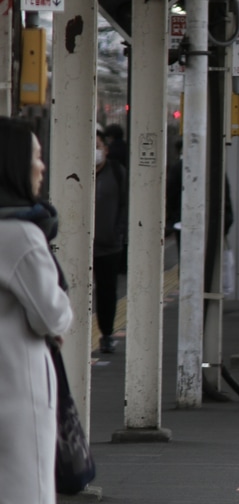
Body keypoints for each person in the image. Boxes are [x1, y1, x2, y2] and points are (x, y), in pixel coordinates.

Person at [0, 119, 73, 504]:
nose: (42, 167)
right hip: (14, 391)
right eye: (35, 156)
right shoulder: (20, 236)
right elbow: (52, 313)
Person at [94, 129, 128, 354]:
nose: (94, 151)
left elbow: (125, 204)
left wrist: (119, 233)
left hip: (109, 245)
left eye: (97, 146)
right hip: (81, 247)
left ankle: (106, 334)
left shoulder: (116, 172)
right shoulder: (72, 170)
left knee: (107, 291)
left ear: (106, 149)